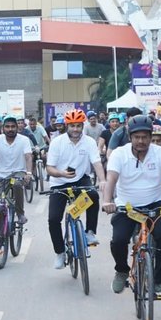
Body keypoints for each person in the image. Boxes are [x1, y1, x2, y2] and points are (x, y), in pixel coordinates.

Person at [102, 115, 161, 298]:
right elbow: (111, 179)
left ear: (151, 137)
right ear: (130, 137)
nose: (141, 141)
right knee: (119, 240)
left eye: (145, 137)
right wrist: (107, 201)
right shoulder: (120, 154)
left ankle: (160, 281)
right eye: (136, 137)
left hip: (155, 205)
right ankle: (122, 271)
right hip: (126, 207)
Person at [46, 109, 106, 269]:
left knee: (93, 195)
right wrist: (62, 174)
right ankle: (60, 252)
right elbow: (49, 168)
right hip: (59, 182)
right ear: (67, 125)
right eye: (72, 126)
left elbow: (97, 163)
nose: (75, 129)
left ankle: (89, 232)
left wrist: (103, 180)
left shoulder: (89, 142)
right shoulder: (57, 142)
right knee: (53, 219)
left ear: (82, 125)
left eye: (78, 126)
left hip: (81, 179)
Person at [0, 115, 33, 225]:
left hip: (18, 172)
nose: (10, 129)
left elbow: (28, 157)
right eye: (7, 127)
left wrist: (28, 173)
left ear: (17, 128)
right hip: (2, 175)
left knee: (18, 184)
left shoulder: (24, 140)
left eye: (13, 126)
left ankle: (20, 213)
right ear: (3, 128)